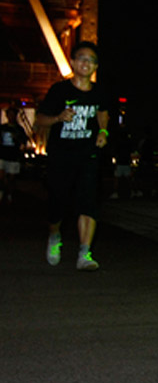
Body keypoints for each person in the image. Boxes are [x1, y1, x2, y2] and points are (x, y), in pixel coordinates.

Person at [35, 41, 110, 270]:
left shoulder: (99, 92)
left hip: (87, 155)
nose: (87, 63)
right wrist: (58, 118)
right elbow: (40, 119)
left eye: (92, 60)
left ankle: (84, 254)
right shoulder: (59, 91)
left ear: (95, 66)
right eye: (82, 58)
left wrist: (103, 132)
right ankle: (54, 236)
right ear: (73, 62)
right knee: (57, 203)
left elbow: (103, 113)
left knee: (88, 203)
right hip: (61, 155)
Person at [0, 105, 28, 206]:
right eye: (9, 114)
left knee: (11, 178)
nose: (11, 116)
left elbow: (24, 142)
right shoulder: (2, 128)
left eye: (13, 114)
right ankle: (2, 193)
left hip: (13, 156)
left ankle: (9, 194)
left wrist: (17, 138)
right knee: (1, 176)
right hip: (2, 155)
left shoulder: (19, 129)